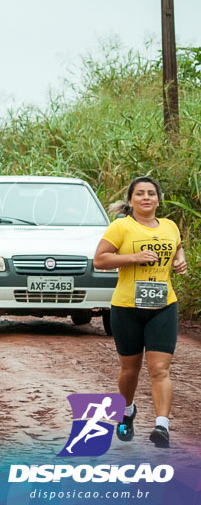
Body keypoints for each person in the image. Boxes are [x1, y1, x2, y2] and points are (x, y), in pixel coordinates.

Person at [93, 176, 186, 448]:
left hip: (163, 305)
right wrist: (133, 257)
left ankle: (162, 426)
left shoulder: (169, 226)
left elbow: (177, 248)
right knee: (129, 372)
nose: (147, 198)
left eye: (151, 193)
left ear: (159, 199)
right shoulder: (121, 227)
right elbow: (100, 260)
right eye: (140, 194)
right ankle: (127, 410)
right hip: (127, 308)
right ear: (131, 200)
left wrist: (179, 261)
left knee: (159, 369)